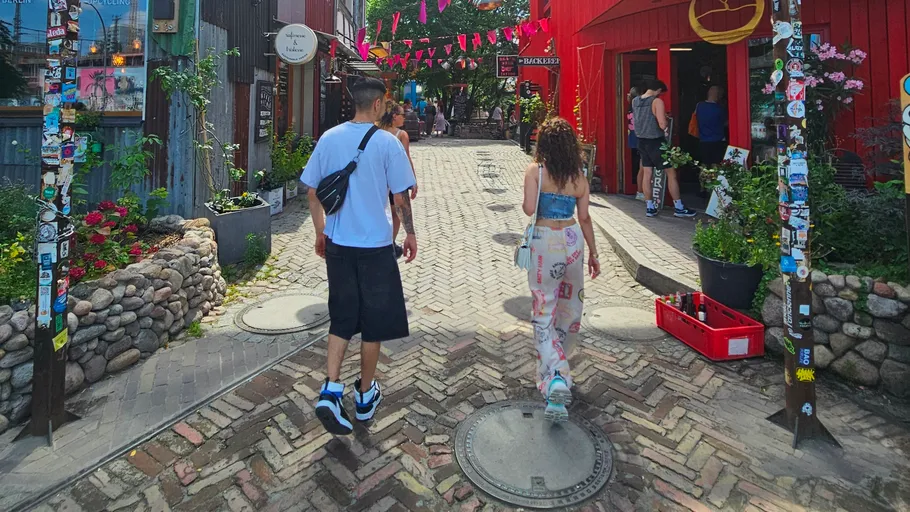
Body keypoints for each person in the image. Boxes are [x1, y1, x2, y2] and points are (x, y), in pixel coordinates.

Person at [302, 77, 418, 435]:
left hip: (338, 244)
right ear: (380, 104)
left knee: (341, 317)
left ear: (354, 102)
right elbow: (400, 198)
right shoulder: (388, 143)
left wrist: (321, 231)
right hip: (376, 247)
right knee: (373, 324)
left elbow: (311, 191)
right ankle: (365, 396)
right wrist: (411, 233)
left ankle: (331, 389)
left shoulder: (329, 138)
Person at [521, 117, 601, 423]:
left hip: (545, 243)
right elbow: (586, 218)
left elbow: (529, 209)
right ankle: (556, 375)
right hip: (573, 241)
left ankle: (556, 376)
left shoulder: (536, 171)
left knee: (543, 312)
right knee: (570, 311)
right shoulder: (580, 177)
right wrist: (593, 253)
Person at [631, 79, 697, 218]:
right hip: (656, 141)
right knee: (671, 173)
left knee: (647, 173)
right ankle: (678, 207)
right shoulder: (656, 101)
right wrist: (666, 120)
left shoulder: (635, 101)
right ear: (658, 90)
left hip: (641, 141)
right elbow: (662, 124)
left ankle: (650, 206)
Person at [377, 100, 418, 258]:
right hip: (394, 180)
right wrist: (412, 180)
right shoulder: (401, 135)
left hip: (378, 179)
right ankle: (390, 243)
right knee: (396, 213)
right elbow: (406, 159)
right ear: (394, 116)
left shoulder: (375, 131)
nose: (404, 118)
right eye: (402, 115)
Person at [695, 86, 728, 167]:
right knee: (716, 164)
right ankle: (716, 179)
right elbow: (725, 123)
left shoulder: (699, 105)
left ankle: (703, 179)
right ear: (718, 96)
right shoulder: (720, 109)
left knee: (704, 165)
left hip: (703, 140)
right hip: (718, 140)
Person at [627, 87, 643, 201]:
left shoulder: (630, 108)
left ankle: (640, 191)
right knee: (644, 167)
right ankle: (641, 191)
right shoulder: (638, 107)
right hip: (642, 138)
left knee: (641, 166)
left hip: (633, 137)